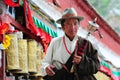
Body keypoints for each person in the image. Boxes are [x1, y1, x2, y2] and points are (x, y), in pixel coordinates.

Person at [41, 8, 100, 80]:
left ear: (78, 26)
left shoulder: (86, 44)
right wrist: (46, 67)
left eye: (75, 23)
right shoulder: (55, 42)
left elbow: (96, 66)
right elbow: (45, 63)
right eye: (68, 24)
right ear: (62, 27)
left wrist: (82, 61)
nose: (72, 27)